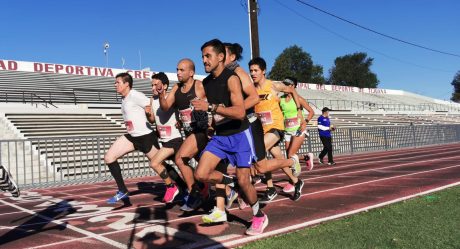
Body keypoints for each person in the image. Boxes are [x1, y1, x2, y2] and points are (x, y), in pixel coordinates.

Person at [192, 39, 267, 235]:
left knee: (245, 180)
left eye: (208, 56)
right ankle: (231, 183)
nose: (204, 60)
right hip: (220, 136)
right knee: (200, 174)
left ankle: (259, 216)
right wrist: (211, 123)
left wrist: (210, 108)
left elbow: (240, 112)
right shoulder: (206, 83)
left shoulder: (232, 78)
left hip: (240, 135)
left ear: (220, 57)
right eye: (202, 57)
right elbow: (217, 111)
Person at [249, 57, 305, 203]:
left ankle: (270, 188)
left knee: (259, 153)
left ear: (263, 71)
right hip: (262, 129)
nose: (253, 73)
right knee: (278, 160)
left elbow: (292, 90)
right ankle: (296, 180)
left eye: (256, 70)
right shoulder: (252, 90)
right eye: (251, 71)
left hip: (276, 127)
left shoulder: (273, 85)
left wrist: (299, 110)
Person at [158, 59, 209, 211]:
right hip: (188, 134)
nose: (178, 73)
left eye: (181, 70)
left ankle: (195, 193)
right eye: (177, 69)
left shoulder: (199, 86)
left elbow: (213, 103)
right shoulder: (176, 88)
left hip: (200, 132)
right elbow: (166, 106)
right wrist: (162, 94)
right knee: (207, 169)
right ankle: (229, 189)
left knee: (180, 159)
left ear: (191, 72)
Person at [104, 72, 160, 204]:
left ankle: (184, 187)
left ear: (127, 84)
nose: (115, 85)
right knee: (109, 157)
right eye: (115, 82)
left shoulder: (135, 95)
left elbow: (151, 103)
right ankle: (122, 190)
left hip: (146, 137)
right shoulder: (124, 99)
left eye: (118, 82)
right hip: (132, 137)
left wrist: (154, 119)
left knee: (160, 165)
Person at [145, 72, 186, 203]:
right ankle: (192, 186)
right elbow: (153, 120)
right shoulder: (152, 99)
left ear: (165, 85)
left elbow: (179, 110)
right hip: (163, 140)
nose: (153, 88)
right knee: (182, 167)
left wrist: (180, 121)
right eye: (152, 85)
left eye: (156, 85)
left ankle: (171, 186)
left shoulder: (170, 97)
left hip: (174, 139)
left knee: (155, 163)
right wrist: (148, 114)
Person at [279, 77, 315, 193]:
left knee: (290, 154)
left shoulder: (298, 99)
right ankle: (306, 157)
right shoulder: (281, 99)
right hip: (287, 131)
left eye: (286, 84)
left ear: (293, 86)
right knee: (289, 157)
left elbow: (311, 112)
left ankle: (293, 182)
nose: (284, 86)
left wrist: (306, 122)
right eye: (283, 84)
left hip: (298, 129)